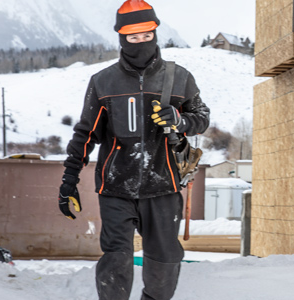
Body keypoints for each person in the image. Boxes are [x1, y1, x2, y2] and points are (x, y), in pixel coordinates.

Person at [56, 0, 210, 299]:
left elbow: (201, 118)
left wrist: (180, 120)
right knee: (116, 260)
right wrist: (68, 182)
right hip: (116, 187)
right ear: (121, 38)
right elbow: (84, 135)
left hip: (164, 186)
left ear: (155, 33)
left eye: (146, 35)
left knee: (165, 263)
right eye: (132, 37)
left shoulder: (180, 77)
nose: (140, 42)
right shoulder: (103, 82)